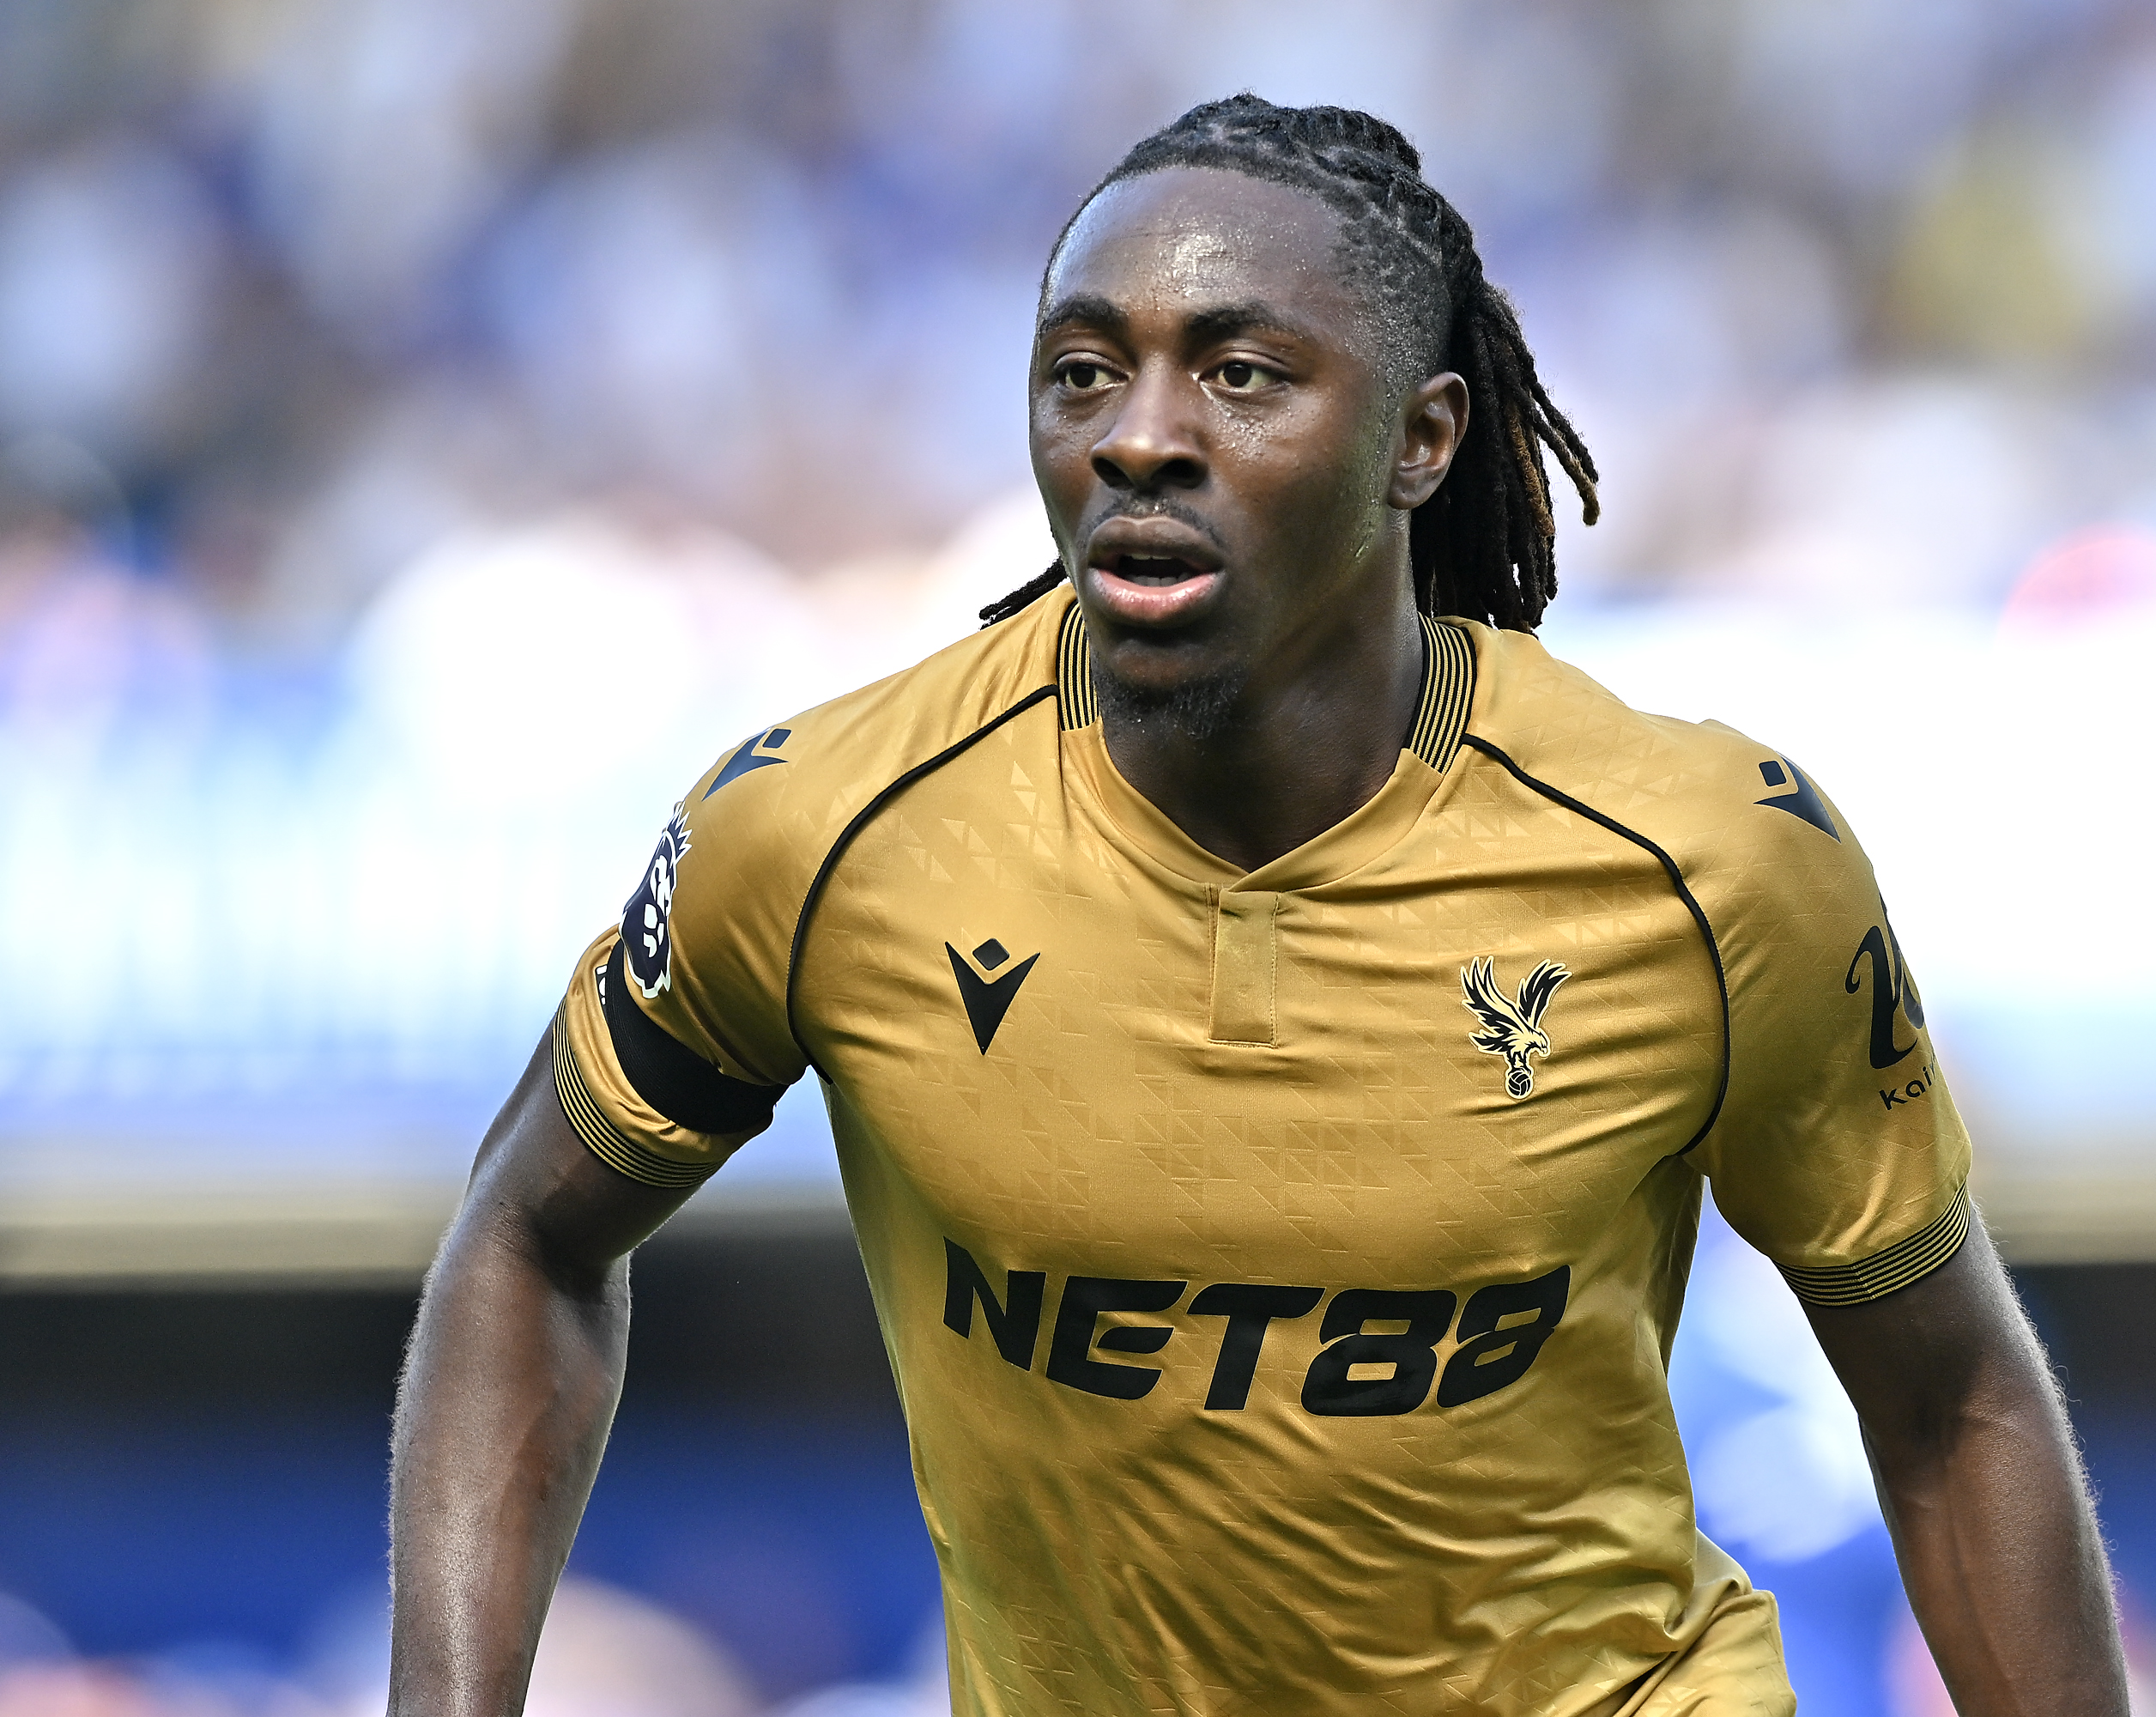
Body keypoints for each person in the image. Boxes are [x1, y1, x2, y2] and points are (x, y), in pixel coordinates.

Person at [388, 98, 2126, 1716]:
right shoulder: (826, 828)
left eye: (1239, 375)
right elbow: (527, 1235)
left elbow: (1949, 1391)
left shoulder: (1706, 859)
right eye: (1084, 372)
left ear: (1423, 439)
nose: (1141, 435)